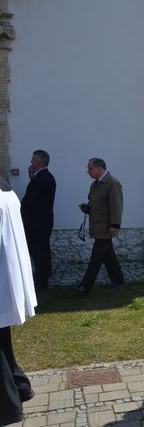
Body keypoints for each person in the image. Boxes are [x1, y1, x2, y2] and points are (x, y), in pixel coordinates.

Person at [0, 176, 37, 425]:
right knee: (3, 337)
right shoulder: (6, 188)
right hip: (7, 276)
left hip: (3, 275)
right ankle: (20, 385)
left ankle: (7, 408)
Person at [71, 158, 125, 295]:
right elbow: (97, 204)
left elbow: (116, 206)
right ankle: (118, 279)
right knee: (108, 256)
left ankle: (85, 286)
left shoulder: (112, 183)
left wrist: (114, 225)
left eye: (90, 168)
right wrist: (87, 208)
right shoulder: (95, 184)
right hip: (98, 226)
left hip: (106, 228)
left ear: (99, 168)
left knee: (96, 258)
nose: (87, 171)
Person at [20, 150, 56, 292]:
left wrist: (20, 213)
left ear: (38, 162)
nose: (30, 163)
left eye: (32, 160)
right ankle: (42, 277)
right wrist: (31, 176)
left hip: (37, 222)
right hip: (42, 221)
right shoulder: (45, 177)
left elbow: (30, 199)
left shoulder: (41, 179)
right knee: (41, 250)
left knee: (38, 251)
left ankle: (41, 280)